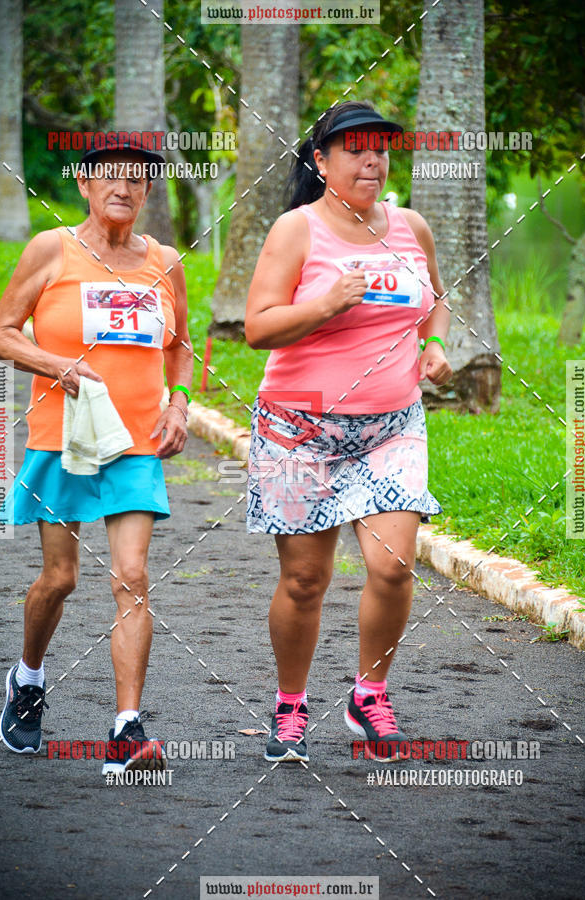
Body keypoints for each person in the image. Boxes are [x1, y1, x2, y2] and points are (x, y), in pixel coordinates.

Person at [244, 101, 453, 763]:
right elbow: (257, 328)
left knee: (394, 566)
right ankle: (290, 706)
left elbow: (436, 300)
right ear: (321, 160)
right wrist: (326, 303)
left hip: (392, 427)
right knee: (305, 579)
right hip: (298, 428)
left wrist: (435, 344)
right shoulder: (296, 230)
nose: (372, 162)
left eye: (380, 150)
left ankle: (370, 695)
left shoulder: (411, 227)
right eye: (355, 150)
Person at [0, 140, 193, 775]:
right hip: (63, 439)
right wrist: (53, 364)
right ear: (84, 184)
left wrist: (179, 403)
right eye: (110, 176)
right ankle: (28, 677)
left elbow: (181, 345)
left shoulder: (163, 261)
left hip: (136, 444)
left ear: (148, 192)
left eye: (137, 179)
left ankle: (127, 730)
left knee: (132, 576)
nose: (123, 188)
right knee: (61, 578)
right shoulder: (52, 250)